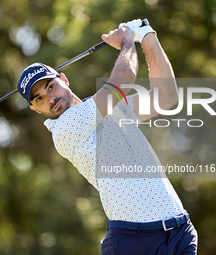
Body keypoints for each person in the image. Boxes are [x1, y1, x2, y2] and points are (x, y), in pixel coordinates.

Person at [17, 19, 198, 254]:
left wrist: (146, 34)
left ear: (64, 80)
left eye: (50, 87)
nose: (50, 99)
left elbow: (166, 96)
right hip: (133, 242)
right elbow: (125, 75)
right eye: (39, 98)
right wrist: (126, 40)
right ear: (35, 109)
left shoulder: (112, 108)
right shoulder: (64, 129)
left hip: (179, 231)